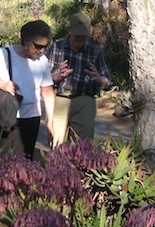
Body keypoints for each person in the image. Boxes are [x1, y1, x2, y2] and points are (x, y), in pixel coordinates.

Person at [0, 20, 55, 160]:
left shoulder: (42, 61)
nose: (41, 50)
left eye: (45, 46)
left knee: (24, 162)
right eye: (38, 46)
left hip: (30, 118)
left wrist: (50, 121)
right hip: (3, 116)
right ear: (25, 41)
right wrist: (2, 85)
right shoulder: (4, 55)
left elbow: (48, 92)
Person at [47, 12, 113, 147]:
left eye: (84, 36)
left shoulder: (93, 52)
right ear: (70, 29)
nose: (80, 39)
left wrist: (100, 80)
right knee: (56, 141)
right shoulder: (56, 48)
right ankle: (55, 167)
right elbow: (40, 78)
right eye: (77, 35)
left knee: (82, 145)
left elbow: (108, 81)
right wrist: (55, 77)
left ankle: (79, 168)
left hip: (85, 99)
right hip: (60, 97)